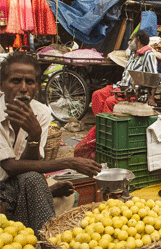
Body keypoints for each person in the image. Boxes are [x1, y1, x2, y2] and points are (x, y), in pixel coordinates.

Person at [0, 52, 102, 235]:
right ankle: (47, 238)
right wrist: (69, 162)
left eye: (30, 82)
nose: (23, 88)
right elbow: (8, 166)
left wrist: (34, 134)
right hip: (4, 182)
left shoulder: (41, 113)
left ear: (37, 87)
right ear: (2, 85)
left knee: (33, 179)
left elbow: (30, 167)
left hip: (15, 183)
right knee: (32, 183)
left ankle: (43, 239)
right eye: (15, 81)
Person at [92, 30, 158, 114]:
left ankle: (109, 125)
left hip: (134, 93)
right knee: (97, 94)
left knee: (110, 102)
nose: (129, 42)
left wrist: (151, 97)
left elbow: (154, 78)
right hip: (120, 87)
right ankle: (100, 122)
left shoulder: (148, 55)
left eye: (132, 39)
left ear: (137, 39)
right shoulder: (133, 55)